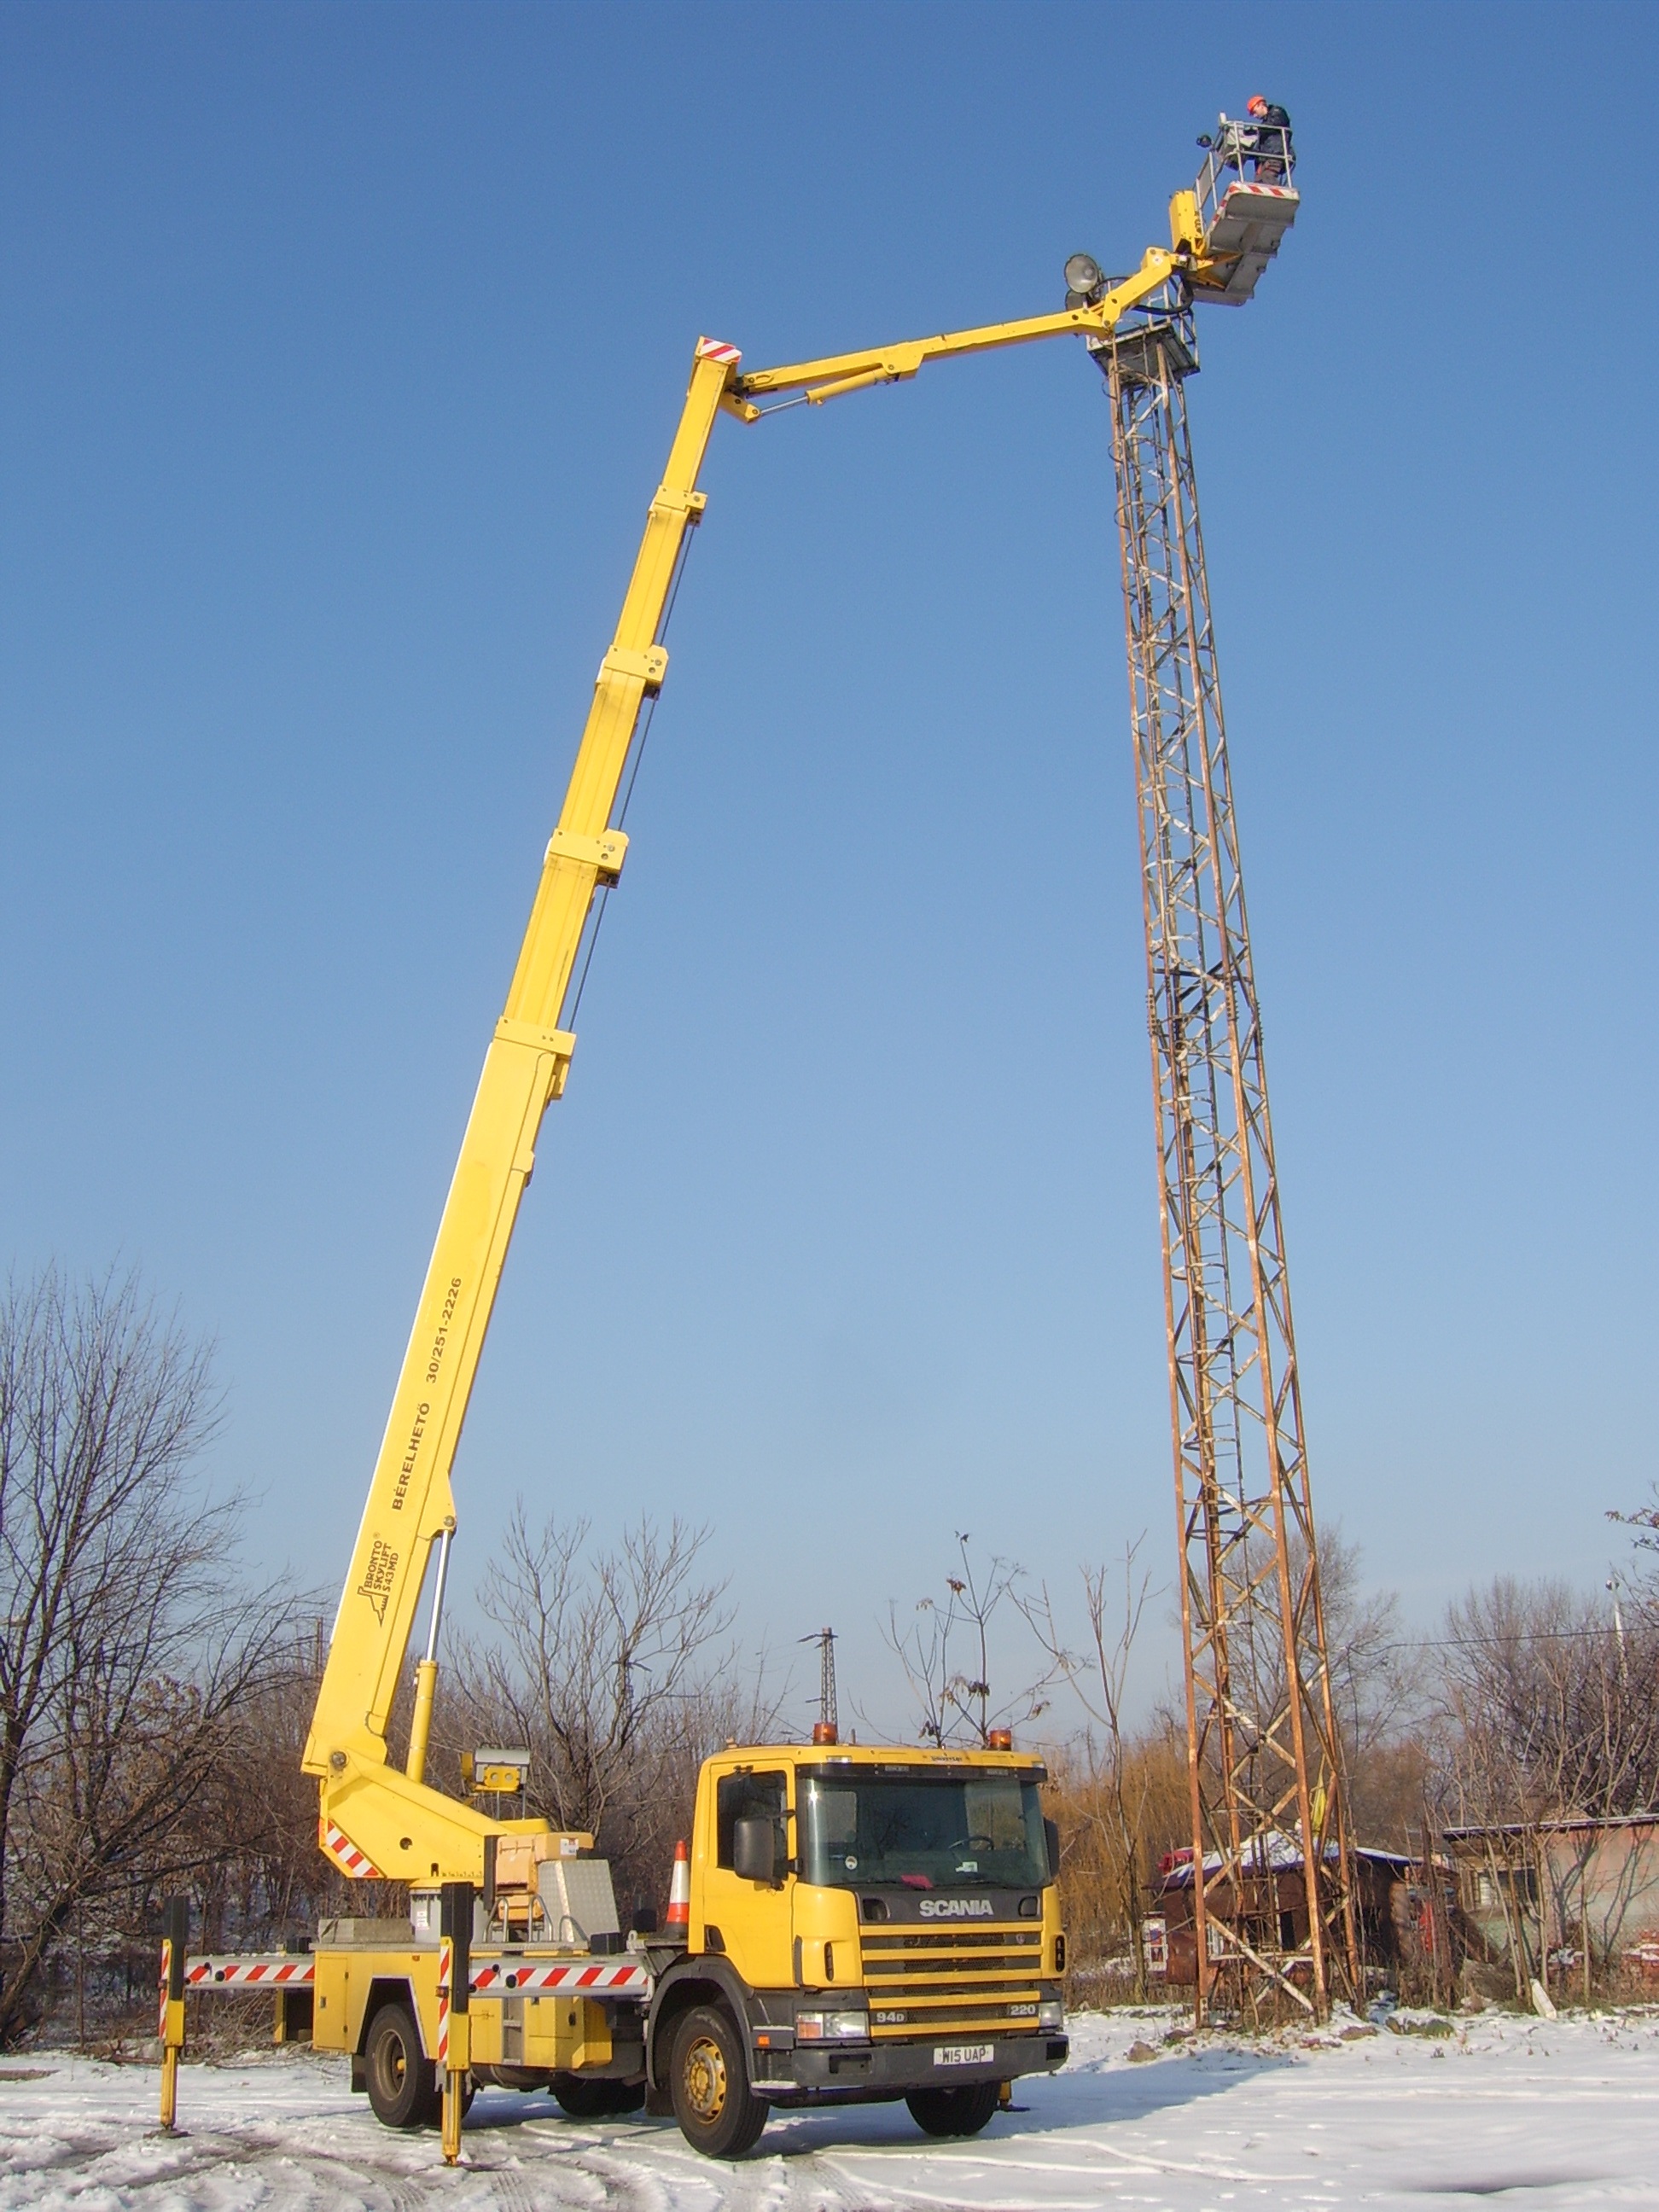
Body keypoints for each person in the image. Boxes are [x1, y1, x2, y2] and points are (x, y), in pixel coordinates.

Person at [1246, 95, 1294, 183]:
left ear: (1261, 105)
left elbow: (1275, 123)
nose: (1255, 116)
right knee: (1259, 182)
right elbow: (1259, 149)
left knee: (1267, 177)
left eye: (1254, 112)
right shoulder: (1263, 128)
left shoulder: (1277, 112)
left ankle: (1276, 192)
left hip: (1276, 155)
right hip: (1265, 159)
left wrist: (1255, 129)